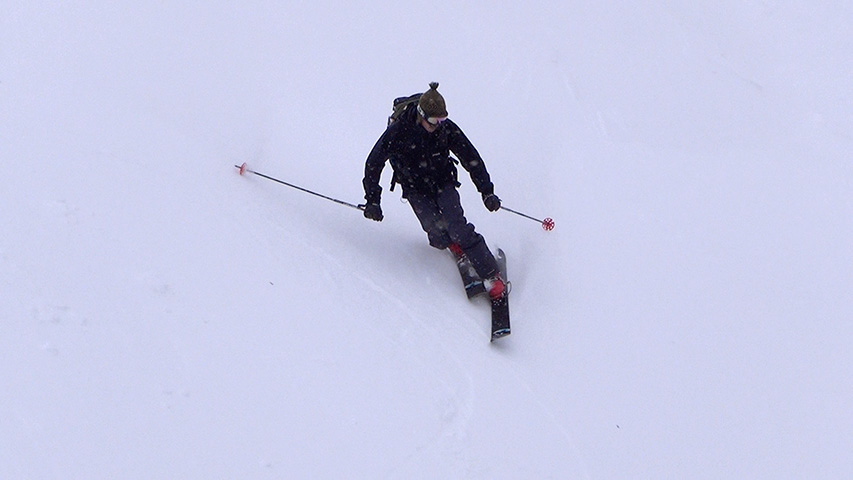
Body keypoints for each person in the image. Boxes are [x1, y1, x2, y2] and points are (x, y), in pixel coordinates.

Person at [361, 82, 506, 299]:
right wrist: (373, 200)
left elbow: (470, 157)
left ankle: (492, 275)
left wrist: (487, 191)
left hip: (442, 181)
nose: (438, 125)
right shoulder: (399, 131)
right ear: (421, 115)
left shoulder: (446, 129)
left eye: (442, 120)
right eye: (434, 121)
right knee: (436, 233)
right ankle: (455, 247)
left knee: (458, 226)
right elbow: (374, 163)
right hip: (414, 188)